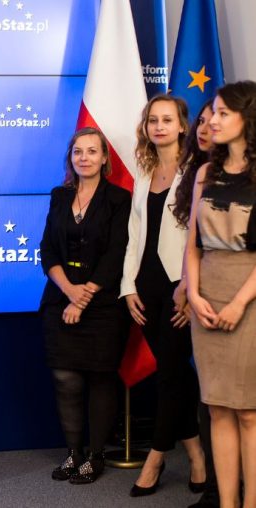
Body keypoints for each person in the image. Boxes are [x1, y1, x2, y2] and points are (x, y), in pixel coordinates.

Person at [121, 95, 206, 497]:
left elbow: (201, 237)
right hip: (146, 287)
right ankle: (197, 454)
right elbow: (133, 234)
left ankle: (155, 458)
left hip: (180, 287)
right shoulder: (144, 170)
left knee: (171, 374)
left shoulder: (198, 172)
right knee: (175, 374)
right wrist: (127, 286)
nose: (158, 126)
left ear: (182, 126)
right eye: (153, 120)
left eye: (167, 120)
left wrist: (191, 288)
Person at [39, 127, 131, 484]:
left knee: (99, 378)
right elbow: (48, 249)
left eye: (92, 151)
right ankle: (73, 453)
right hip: (59, 300)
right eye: (78, 151)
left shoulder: (119, 199)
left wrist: (84, 296)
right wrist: (69, 290)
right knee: (65, 377)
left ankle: (95, 455)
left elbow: (116, 253)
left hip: (103, 304)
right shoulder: (59, 196)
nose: (84, 158)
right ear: (70, 157)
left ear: (104, 157)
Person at [186, 80, 256, 508]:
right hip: (206, 296)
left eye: (223, 113)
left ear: (248, 118)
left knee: (249, 411)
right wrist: (194, 295)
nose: (212, 120)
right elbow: (193, 246)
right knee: (217, 408)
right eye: (213, 111)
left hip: (248, 296)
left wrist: (240, 302)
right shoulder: (204, 173)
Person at [173, 100, 222, 508]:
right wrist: (188, 288)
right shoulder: (196, 174)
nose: (206, 128)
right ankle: (217, 490)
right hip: (197, 294)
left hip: (231, 293)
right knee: (210, 400)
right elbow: (192, 242)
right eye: (202, 121)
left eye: (216, 119)